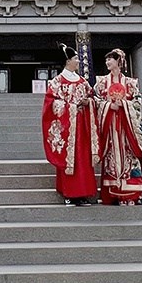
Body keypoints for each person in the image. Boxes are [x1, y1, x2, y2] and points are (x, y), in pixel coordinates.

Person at [41, 44, 99, 206]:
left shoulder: (82, 82)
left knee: (83, 160)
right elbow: (51, 104)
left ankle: (83, 193)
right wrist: (72, 107)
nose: (78, 61)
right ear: (68, 61)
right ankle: (70, 194)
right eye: (75, 58)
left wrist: (88, 102)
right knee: (69, 159)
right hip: (67, 128)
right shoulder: (57, 82)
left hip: (82, 127)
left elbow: (92, 97)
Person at [94, 48, 142, 205]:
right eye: (106, 60)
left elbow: (137, 103)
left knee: (129, 157)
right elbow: (96, 100)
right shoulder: (101, 82)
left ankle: (132, 194)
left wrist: (124, 105)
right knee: (111, 157)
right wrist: (109, 106)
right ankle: (114, 194)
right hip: (110, 126)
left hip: (127, 127)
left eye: (110, 59)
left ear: (118, 61)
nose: (107, 62)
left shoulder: (131, 83)